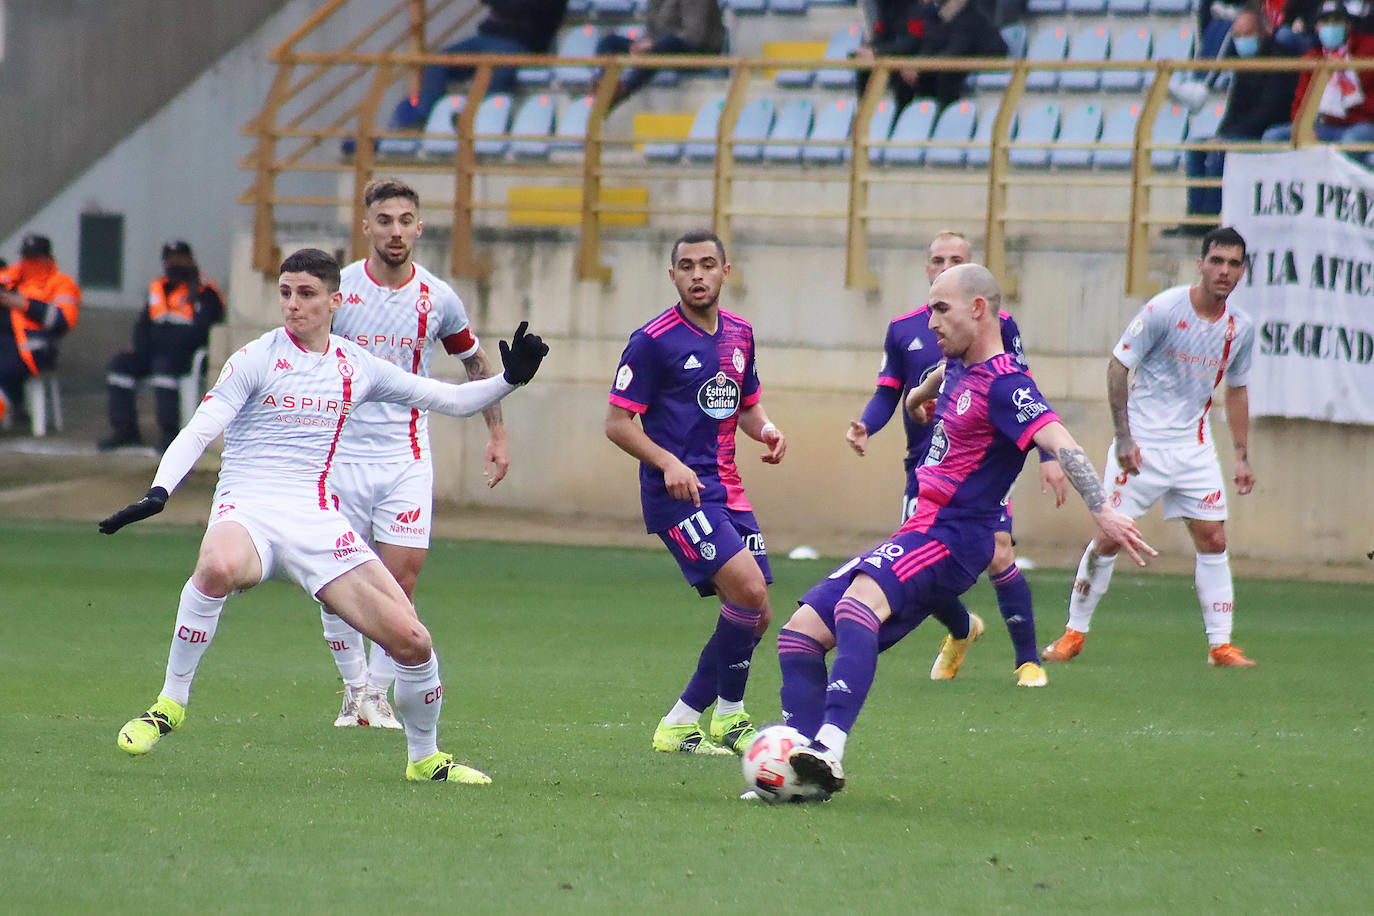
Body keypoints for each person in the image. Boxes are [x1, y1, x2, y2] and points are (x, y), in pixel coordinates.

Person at [100, 248, 548, 784]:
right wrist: (160, 490)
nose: (293, 305)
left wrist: (510, 381)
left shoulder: (354, 366)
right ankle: (169, 705)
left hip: (317, 520)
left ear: (335, 301)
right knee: (217, 566)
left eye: (306, 294)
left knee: (413, 641)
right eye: (286, 293)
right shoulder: (254, 359)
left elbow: (446, 398)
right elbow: (202, 426)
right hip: (249, 509)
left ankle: (425, 758)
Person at [774, 263, 1153, 799]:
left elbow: (1060, 440)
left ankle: (829, 748)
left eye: (941, 308)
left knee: (858, 605)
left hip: (954, 537)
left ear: (979, 308)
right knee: (799, 635)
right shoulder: (956, 365)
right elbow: (935, 382)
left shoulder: (1007, 384)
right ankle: (797, 770)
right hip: (920, 526)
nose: (930, 321)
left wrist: (1104, 510)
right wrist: (914, 399)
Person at [317, 178, 510, 732]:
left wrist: (496, 434)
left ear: (419, 227)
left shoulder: (438, 298)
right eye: (385, 220)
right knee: (333, 580)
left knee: (400, 580)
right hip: (341, 455)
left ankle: (374, 696)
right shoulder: (341, 292)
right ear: (366, 227)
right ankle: (353, 688)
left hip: (405, 455)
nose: (395, 231)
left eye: (405, 220)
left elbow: (475, 366)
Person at [844, 231, 1067, 688]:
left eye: (955, 260)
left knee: (999, 553)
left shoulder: (998, 326)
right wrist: (868, 423)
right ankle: (963, 629)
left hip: (982, 470)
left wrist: (1048, 454)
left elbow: (1024, 392)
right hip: (926, 467)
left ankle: (1028, 660)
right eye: (937, 260)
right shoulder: (905, 328)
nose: (944, 266)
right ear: (926, 268)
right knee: (923, 566)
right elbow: (890, 391)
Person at [605, 229, 787, 757]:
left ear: (726, 272)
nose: (698, 275)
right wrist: (667, 462)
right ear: (673, 276)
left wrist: (768, 430)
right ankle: (721, 718)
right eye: (687, 266)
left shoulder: (740, 334)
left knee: (759, 611)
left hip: (727, 489)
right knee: (749, 594)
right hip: (678, 496)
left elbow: (745, 403)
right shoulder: (653, 339)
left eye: (708, 264)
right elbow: (617, 423)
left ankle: (694, 720)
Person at [1043, 227, 1258, 669]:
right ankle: (1073, 633)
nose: (1224, 270)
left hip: (1194, 449)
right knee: (1108, 538)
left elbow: (1237, 390)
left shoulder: (1241, 328)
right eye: (1216, 260)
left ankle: (1221, 645)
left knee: (1214, 538)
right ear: (1200, 264)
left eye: (1234, 263)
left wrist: (1241, 454)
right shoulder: (1164, 309)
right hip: (1141, 447)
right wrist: (1124, 437)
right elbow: (1119, 366)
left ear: (1242, 271)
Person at [1169, 10, 1300, 236]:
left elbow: (1270, 110)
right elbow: (1234, 108)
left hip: (1267, 128)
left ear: (1263, 31)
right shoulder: (1244, 62)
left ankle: (1211, 217)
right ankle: (1196, 214)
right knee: (1196, 147)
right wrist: (1221, 133)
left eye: (1247, 34)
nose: (1242, 41)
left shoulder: (1279, 60)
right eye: (1237, 36)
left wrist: (1226, 138)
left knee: (1221, 150)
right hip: (1241, 129)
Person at [99, 241, 226, 451]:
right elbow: (143, 324)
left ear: (190, 260)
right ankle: (125, 430)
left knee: (163, 369)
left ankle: (170, 433)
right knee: (120, 365)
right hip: (153, 351)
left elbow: (204, 330)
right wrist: (140, 347)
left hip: (184, 355)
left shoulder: (205, 291)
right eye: (169, 259)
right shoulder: (158, 288)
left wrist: (172, 346)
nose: (174, 264)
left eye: (179, 259)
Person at [389, 0, 569, 130]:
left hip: (521, 42)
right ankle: (423, 116)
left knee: (497, 68)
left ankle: (473, 115)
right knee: (439, 60)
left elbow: (534, 10)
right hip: (487, 37)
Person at [1261, 0, 1374, 164]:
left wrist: (1349, 105)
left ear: (1348, 26)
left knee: (1351, 142)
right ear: (1317, 28)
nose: (1331, 26)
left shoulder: (1368, 51)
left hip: (1360, 126)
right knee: (1273, 137)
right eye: (1325, 22)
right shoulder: (1313, 57)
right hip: (1324, 127)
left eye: (1336, 21)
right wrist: (1303, 127)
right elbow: (1300, 103)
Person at [0, 234, 80, 426]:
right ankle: (14, 411)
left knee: (5, 372)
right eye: (25, 258)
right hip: (6, 344)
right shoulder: (11, 275)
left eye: (33, 259)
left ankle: (13, 410)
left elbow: (63, 320)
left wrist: (25, 305)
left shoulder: (61, 283)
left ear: (46, 259)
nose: (28, 263)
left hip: (35, 349)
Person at [594, 0, 726, 110]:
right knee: (610, 42)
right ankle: (603, 84)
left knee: (667, 43)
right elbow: (652, 30)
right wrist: (643, 43)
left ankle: (624, 90)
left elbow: (696, 35)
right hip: (660, 46)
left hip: (698, 51)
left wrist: (653, 44)